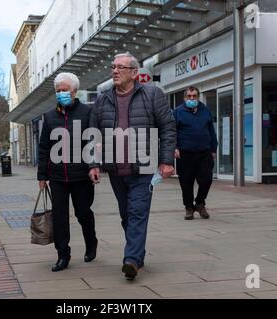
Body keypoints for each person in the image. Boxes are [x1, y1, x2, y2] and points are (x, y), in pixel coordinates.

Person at [89, 53, 176, 280]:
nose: (115, 71)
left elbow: (168, 128)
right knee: (127, 216)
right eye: (113, 67)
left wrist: (166, 161)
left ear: (134, 73)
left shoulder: (152, 94)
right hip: (116, 170)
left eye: (120, 67)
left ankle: (131, 261)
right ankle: (138, 254)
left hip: (143, 169)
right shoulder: (103, 99)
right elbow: (92, 134)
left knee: (137, 213)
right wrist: (93, 163)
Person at [37, 72, 98, 272]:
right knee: (60, 218)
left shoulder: (87, 112)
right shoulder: (49, 116)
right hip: (57, 177)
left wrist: (92, 166)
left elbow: (92, 141)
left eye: (65, 90)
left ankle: (91, 242)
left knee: (83, 212)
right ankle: (63, 255)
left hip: (81, 175)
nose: (61, 93)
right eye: (58, 91)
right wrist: (42, 176)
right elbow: (44, 147)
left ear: (74, 91)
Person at [173, 86, 218, 221]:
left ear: (198, 97)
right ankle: (189, 207)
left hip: (204, 152)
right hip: (185, 153)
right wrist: (174, 147)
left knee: (206, 180)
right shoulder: (178, 112)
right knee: (186, 183)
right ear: (185, 98)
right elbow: (172, 131)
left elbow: (211, 130)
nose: (192, 99)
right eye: (189, 96)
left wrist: (213, 148)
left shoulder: (205, 111)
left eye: (194, 96)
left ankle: (199, 203)